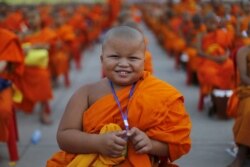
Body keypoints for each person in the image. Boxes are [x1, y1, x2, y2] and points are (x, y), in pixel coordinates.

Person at [47, 26, 191, 167]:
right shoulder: (86, 93)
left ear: (144, 61)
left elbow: (179, 142)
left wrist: (150, 144)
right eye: (114, 57)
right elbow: (64, 136)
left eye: (133, 58)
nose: (123, 64)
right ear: (102, 59)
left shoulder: (161, 93)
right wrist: (98, 143)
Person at [227, 45, 250, 167]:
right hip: (248, 89)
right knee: (249, 110)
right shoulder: (244, 51)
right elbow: (244, 77)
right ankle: (241, 155)